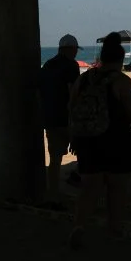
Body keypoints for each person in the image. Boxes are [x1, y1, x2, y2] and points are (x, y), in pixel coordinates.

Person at [67, 33, 131, 247]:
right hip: (116, 141)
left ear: (101, 58)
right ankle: (115, 229)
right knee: (117, 188)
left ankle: (79, 226)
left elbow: (72, 109)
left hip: (87, 141)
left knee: (89, 188)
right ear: (121, 60)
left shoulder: (83, 79)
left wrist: (74, 137)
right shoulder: (122, 81)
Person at [39, 33, 82, 204]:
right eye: (75, 50)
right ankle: (79, 183)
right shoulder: (71, 65)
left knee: (55, 160)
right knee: (84, 152)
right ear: (70, 49)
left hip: (50, 118)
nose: (76, 53)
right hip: (67, 118)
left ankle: (53, 194)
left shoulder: (48, 65)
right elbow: (74, 93)